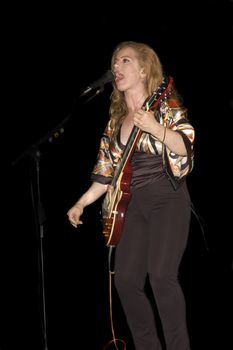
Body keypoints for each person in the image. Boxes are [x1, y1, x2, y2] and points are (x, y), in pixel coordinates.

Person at [67, 41, 195, 350]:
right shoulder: (115, 123)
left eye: (125, 61)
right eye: (114, 62)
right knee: (125, 281)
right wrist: (81, 203)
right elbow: (105, 174)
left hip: (167, 196)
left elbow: (187, 149)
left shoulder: (165, 105)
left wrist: (155, 128)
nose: (116, 67)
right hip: (132, 204)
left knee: (162, 276)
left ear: (143, 70)